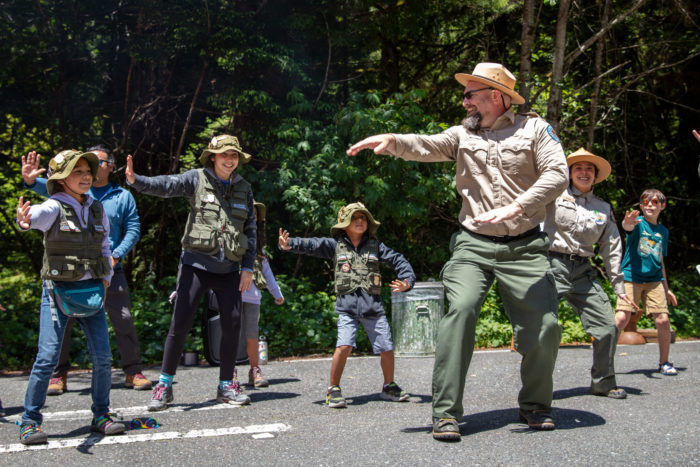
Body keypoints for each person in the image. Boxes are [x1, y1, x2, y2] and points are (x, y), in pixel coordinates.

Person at [347, 62, 569, 440]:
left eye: (471, 95)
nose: (464, 101)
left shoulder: (535, 130)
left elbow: (557, 174)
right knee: (460, 311)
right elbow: (427, 144)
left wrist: (518, 206)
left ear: (495, 97)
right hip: (474, 245)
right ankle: (446, 412)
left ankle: (535, 404)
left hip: (526, 246)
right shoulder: (462, 136)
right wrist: (394, 141)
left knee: (545, 327)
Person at [125, 134, 256, 411]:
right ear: (213, 157)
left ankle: (226, 385)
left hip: (230, 267)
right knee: (180, 324)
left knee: (232, 325)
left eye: (234, 155)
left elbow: (251, 231)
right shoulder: (196, 178)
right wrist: (137, 180)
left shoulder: (245, 188)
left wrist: (247, 267)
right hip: (196, 263)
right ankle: (164, 384)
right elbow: (167, 185)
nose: (230, 160)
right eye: (224, 155)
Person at [16, 150, 125, 445]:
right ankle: (29, 421)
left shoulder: (96, 208)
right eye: (77, 172)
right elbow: (33, 218)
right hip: (57, 292)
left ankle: (101, 415)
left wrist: (105, 280)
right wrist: (24, 221)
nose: (86, 176)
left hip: (92, 293)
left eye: (88, 171)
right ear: (62, 179)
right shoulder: (53, 206)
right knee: (47, 357)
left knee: (103, 357)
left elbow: (105, 245)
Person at [21, 147, 151, 394]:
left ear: (110, 166)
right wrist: (30, 182)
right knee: (64, 324)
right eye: (81, 168)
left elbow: (133, 229)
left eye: (99, 162)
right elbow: (48, 197)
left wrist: (115, 255)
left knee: (123, 319)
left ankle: (133, 371)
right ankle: (58, 376)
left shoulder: (122, 196)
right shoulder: (77, 190)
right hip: (69, 273)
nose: (91, 170)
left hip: (108, 269)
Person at [278, 202, 415, 408]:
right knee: (344, 346)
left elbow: (399, 261)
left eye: (363, 218)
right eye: (355, 218)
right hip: (347, 309)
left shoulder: (376, 246)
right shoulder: (335, 245)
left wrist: (407, 281)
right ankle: (333, 389)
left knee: (386, 347)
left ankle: (389, 385)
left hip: (373, 309)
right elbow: (312, 245)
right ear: (345, 224)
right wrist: (290, 244)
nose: (360, 221)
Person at [543, 148, 637, 400]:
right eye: (578, 168)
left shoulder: (603, 208)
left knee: (608, 327)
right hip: (552, 265)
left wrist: (620, 287)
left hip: (584, 270)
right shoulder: (552, 195)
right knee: (545, 327)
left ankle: (603, 383)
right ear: (569, 173)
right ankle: (537, 391)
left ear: (595, 176)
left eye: (589, 169)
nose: (584, 173)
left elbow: (612, 247)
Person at [616, 189, 678, 375]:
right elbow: (627, 226)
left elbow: (660, 260)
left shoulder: (663, 231)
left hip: (654, 280)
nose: (650, 205)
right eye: (646, 202)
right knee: (622, 317)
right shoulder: (638, 224)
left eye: (655, 202)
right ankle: (603, 359)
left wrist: (667, 289)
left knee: (663, 319)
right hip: (631, 277)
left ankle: (664, 362)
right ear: (641, 206)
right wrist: (627, 222)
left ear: (662, 206)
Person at [238, 201, 284, 388]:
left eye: (255, 214)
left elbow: (267, 272)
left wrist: (277, 293)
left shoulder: (259, 248)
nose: (252, 217)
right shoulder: (230, 239)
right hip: (230, 295)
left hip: (252, 296)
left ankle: (254, 370)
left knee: (252, 334)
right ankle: (229, 372)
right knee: (231, 335)